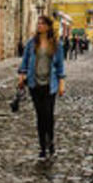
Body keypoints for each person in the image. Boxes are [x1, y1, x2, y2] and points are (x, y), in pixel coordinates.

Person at [18, 15, 66, 160]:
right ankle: (42, 147)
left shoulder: (56, 45)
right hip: (34, 83)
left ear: (48, 26)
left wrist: (62, 83)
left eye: (42, 24)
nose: (39, 26)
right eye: (38, 23)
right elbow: (24, 62)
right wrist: (21, 75)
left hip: (50, 84)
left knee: (48, 115)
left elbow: (60, 66)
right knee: (40, 116)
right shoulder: (31, 43)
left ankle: (50, 141)